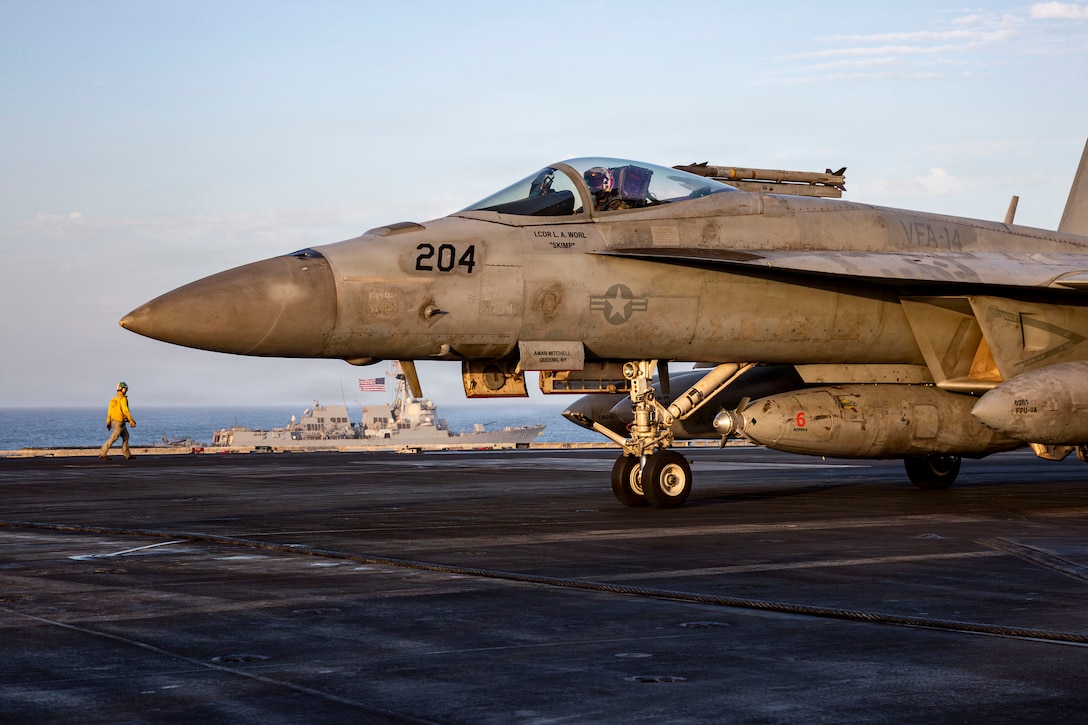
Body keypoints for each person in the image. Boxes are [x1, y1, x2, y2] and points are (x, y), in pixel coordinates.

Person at [100, 381, 136, 460]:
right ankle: (102, 453)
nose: (126, 390)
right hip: (120, 422)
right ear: (121, 389)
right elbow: (125, 411)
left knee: (126, 436)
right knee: (113, 438)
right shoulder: (122, 399)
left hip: (114, 421)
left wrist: (108, 422)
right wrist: (131, 420)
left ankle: (127, 454)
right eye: (124, 388)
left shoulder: (113, 399)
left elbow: (109, 411)